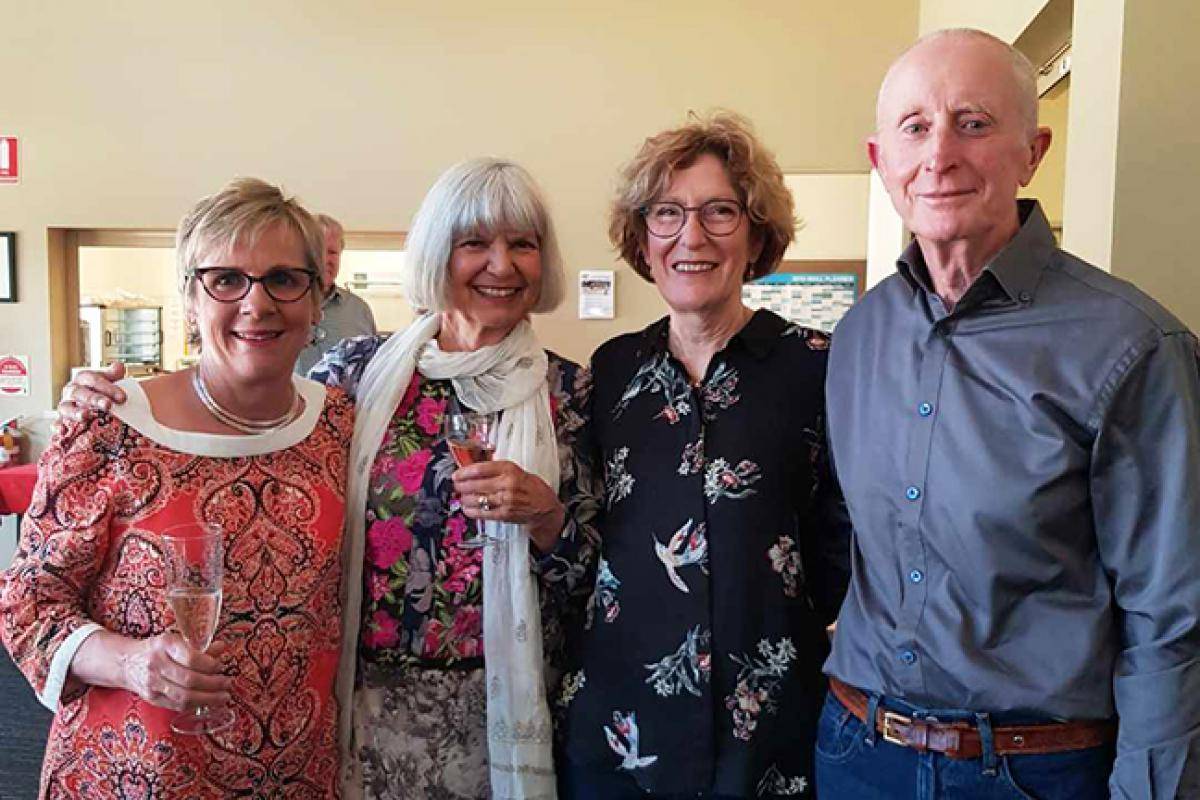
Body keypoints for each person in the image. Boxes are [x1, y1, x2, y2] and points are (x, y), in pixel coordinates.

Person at [56, 157, 600, 799]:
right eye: (474, 243)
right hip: (359, 705)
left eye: (523, 244)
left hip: (508, 705)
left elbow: (603, 580)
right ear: (436, 254)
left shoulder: (574, 394)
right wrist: (97, 405)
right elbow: (259, 436)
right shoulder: (358, 375)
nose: (500, 266)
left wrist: (547, 519)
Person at [819, 28, 1200, 799]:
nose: (939, 155)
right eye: (915, 127)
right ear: (880, 160)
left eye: (974, 123)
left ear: (1033, 150)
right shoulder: (858, 336)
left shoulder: (1132, 345)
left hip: (1033, 773)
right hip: (859, 752)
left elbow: (1173, 618)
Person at [1, 178, 355, 797]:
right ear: (190, 299)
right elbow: (27, 605)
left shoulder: (341, 424)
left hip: (295, 772)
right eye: (226, 279)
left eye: (283, 278)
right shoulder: (111, 424)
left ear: (317, 298)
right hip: (137, 774)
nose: (256, 303)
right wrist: (130, 662)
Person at [556, 112, 850, 798]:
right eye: (667, 213)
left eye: (720, 211)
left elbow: (846, 540)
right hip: (623, 724)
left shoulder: (818, 367)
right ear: (643, 239)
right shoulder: (610, 372)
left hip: (770, 728)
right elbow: (588, 538)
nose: (691, 236)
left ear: (757, 235)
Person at [294, 213, 378, 376]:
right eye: (318, 252)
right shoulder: (281, 305)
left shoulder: (359, 311)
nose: (325, 259)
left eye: (332, 252)